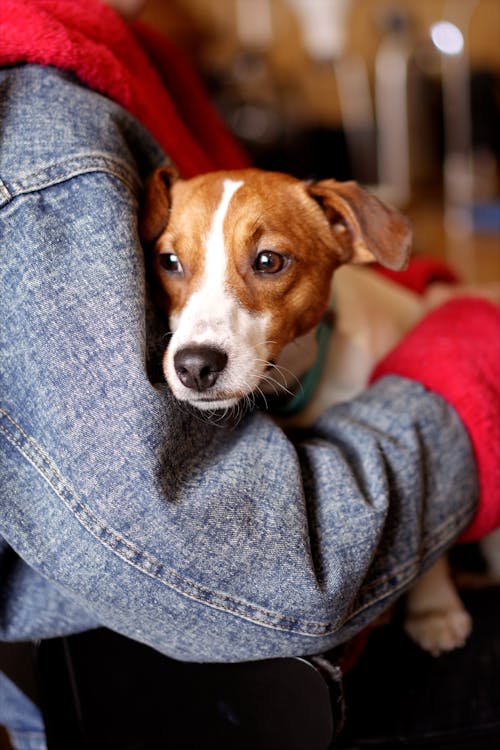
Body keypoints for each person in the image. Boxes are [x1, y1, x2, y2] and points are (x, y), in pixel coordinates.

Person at [1, 1, 499, 748]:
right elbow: (228, 560)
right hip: (180, 683)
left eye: (266, 265)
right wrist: (468, 366)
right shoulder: (49, 139)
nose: (198, 339)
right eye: (171, 264)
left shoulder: (115, 68)